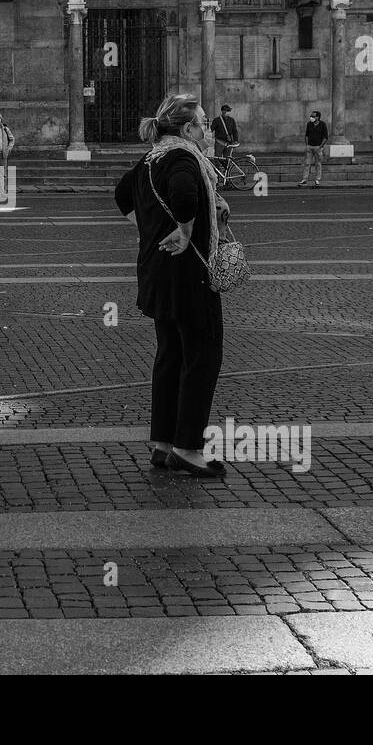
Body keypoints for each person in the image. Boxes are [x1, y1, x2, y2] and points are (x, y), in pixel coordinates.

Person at [115, 93, 229, 478]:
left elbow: (121, 193)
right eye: (203, 123)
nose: (208, 129)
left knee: (170, 357)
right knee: (202, 356)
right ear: (187, 129)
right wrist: (183, 230)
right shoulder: (182, 158)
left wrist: (149, 228)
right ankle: (188, 448)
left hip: (158, 274)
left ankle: (162, 444)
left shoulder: (153, 156)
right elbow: (183, 194)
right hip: (188, 276)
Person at [299, 110, 328, 187]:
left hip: (318, 147)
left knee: (318, 164)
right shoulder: (309, 124)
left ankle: (317, 179)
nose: (311, 117)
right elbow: (306, 135)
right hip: (309, 147)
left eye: (313, 116)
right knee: (307, 163)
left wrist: (321, 147)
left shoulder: (322, 124)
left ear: (318, 117)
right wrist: (307, 145)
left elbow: (325, 137)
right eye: (311, 116)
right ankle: (304, 179)